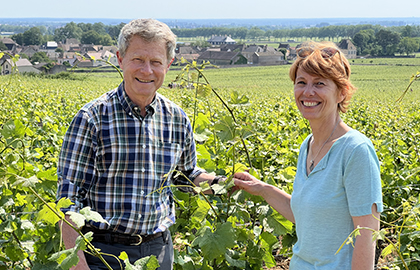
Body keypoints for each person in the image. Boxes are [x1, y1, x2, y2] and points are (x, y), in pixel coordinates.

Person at [56, 18, 223, 270]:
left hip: (158, 253)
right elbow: (68, 202)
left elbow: (185, 176)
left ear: (169, 64)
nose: (147, 71)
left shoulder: (176, 118)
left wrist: (223, 185)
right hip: (103, 254)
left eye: (156, 62)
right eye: (138, 60)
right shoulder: (92, 118)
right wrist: (78, 264)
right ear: (120, 59)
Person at [234, 41, 383, 269]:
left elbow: (367, 233)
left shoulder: (355, 150)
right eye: (301, 82)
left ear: (342, 93)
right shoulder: (309, 144)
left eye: (319, 84)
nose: (307, 92)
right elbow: (307, 216)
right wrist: (263, 189)